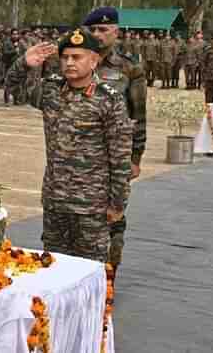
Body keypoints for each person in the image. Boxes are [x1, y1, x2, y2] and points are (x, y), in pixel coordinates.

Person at [22, 29, 133, 263]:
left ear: (94, 61)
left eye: (77, 57)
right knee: (53, 266)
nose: (69, 62)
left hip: (91, 205)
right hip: (56, 200)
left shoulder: (109, 99)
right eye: (65, 57)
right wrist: (24, 63)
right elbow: (17, 89)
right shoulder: (52, 90)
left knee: (90, 269)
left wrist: (117, 203)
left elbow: (120, 156)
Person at [82, 6, 147, 272]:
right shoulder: (77, 61)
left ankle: (109, 276)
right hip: (80, 157)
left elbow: (139, 115)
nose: (97, 34)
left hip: (114, 160)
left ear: (116, 32)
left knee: (113, 219)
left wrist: (135, 157)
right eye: (93, 29)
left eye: (103, 29)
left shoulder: (129, 68)